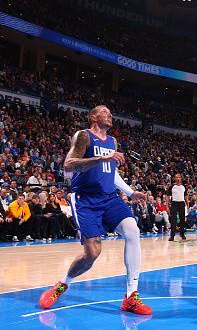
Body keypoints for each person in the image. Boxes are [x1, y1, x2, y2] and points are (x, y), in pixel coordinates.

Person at [38, 105, 152, 315]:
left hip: (109, 198)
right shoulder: (84, 136)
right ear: (93, 117)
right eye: (104, 112)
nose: (109, 115)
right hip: (86, 199)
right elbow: (69, 164)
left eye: (110, 112)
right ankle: (62, 284)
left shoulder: (112, 141)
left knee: (133, 231)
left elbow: (111, 172)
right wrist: (102, 158)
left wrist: (129, 191)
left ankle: (131, 296)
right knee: (92, 254)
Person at [167, 173, 188, 241]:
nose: (178, 178)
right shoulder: (172, 186)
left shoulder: (183, 186)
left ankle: (182, 234)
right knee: (173, 220)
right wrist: (167, 206)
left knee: (182, 220)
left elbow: (186, 196)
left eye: (179, 177)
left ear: (181, 178)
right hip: (174, 203)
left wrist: (188, 205)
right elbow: (167, 196)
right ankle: (172, 236)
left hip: (182, 203)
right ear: (175, 179)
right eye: (176, 177)